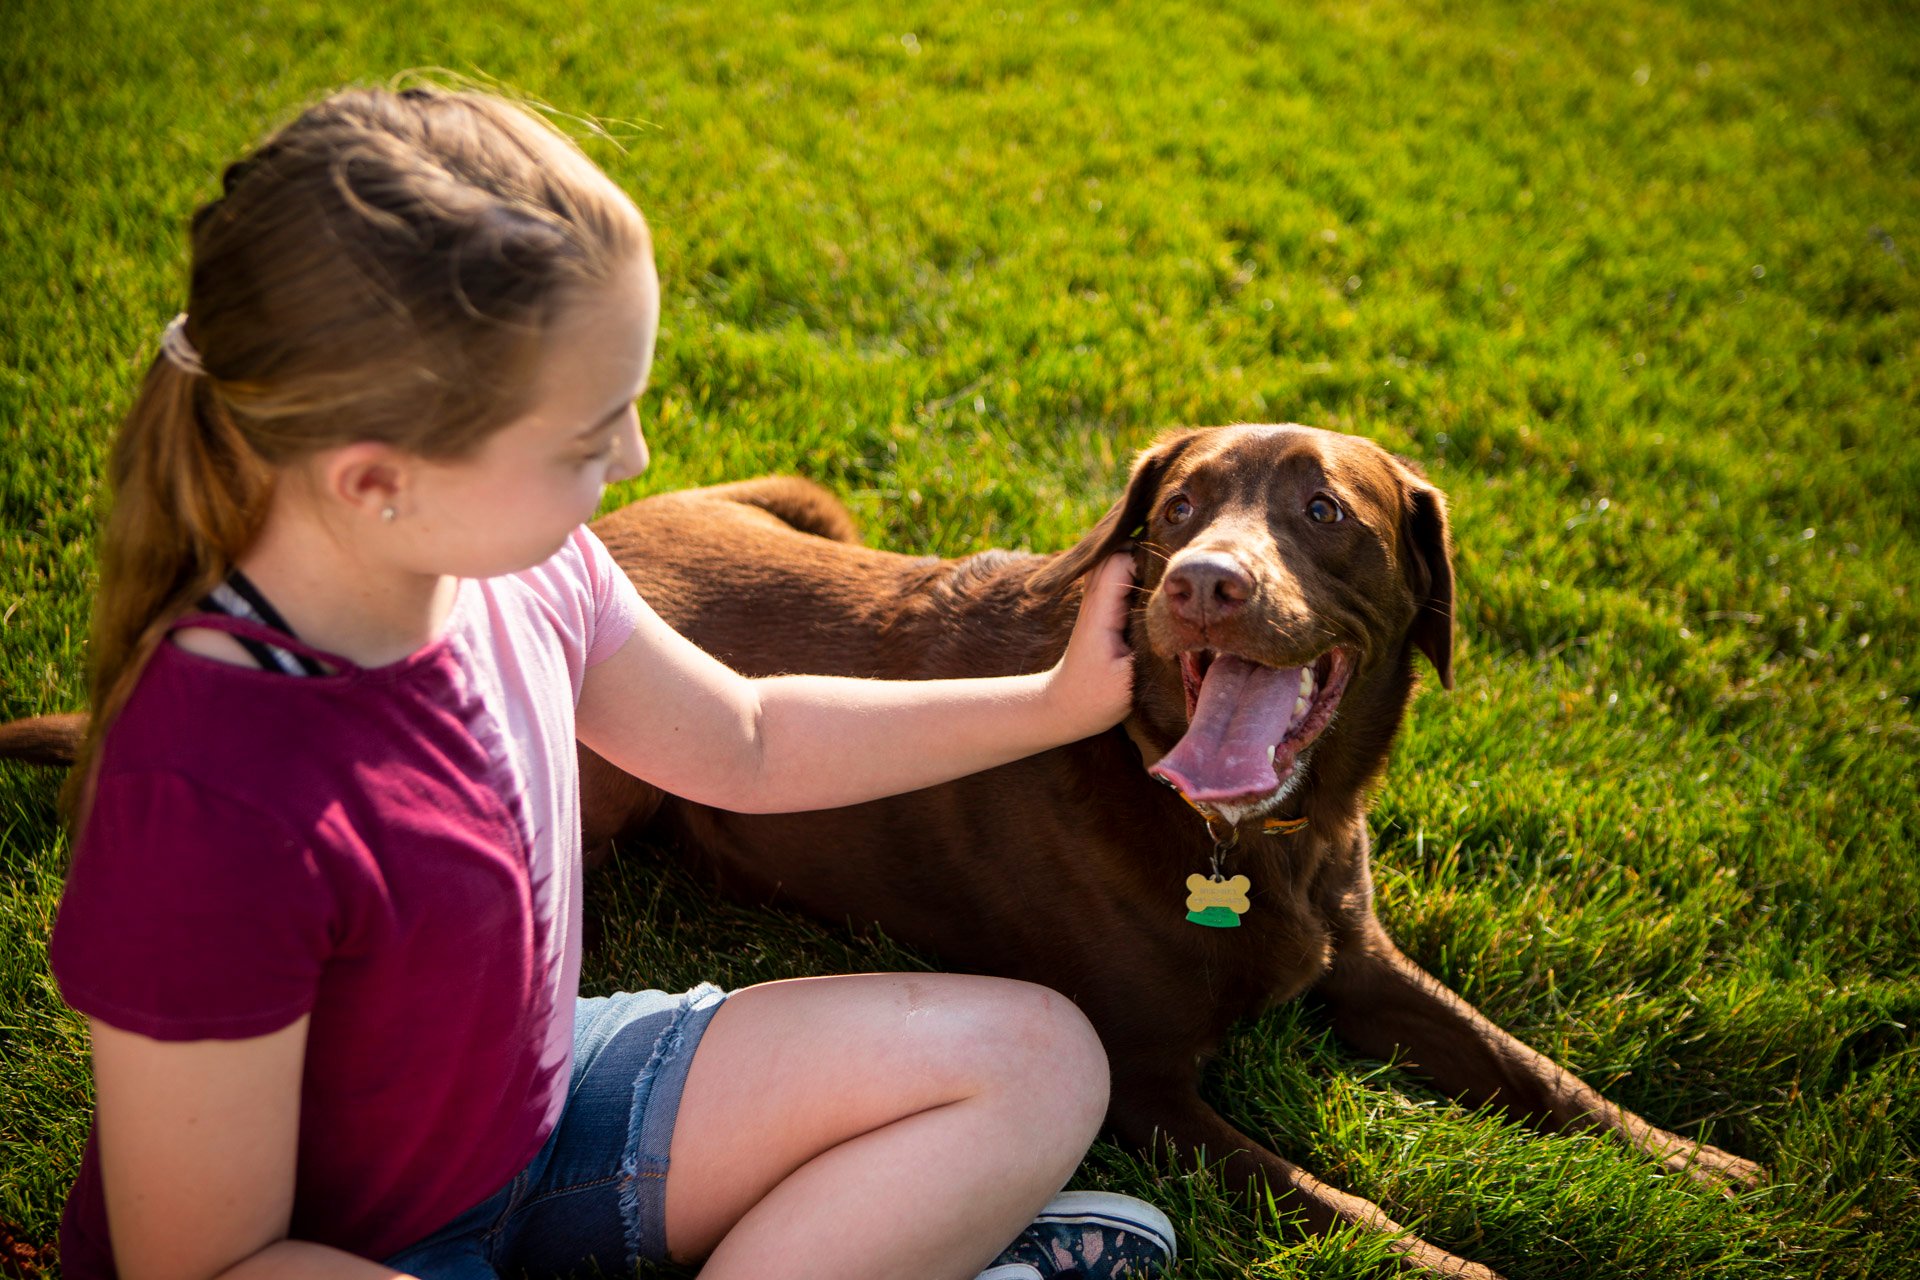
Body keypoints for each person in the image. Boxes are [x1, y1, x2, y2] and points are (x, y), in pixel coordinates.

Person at [46, 85, 1177, 1280]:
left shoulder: (526, 571)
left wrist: (1050, 701)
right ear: (379, 479)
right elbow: (208, 1263)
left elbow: (746, 738)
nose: (634, 459)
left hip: (536, 1121)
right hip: (334, 1252)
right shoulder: (213, 801)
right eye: (588, 438)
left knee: (1045, 1058)